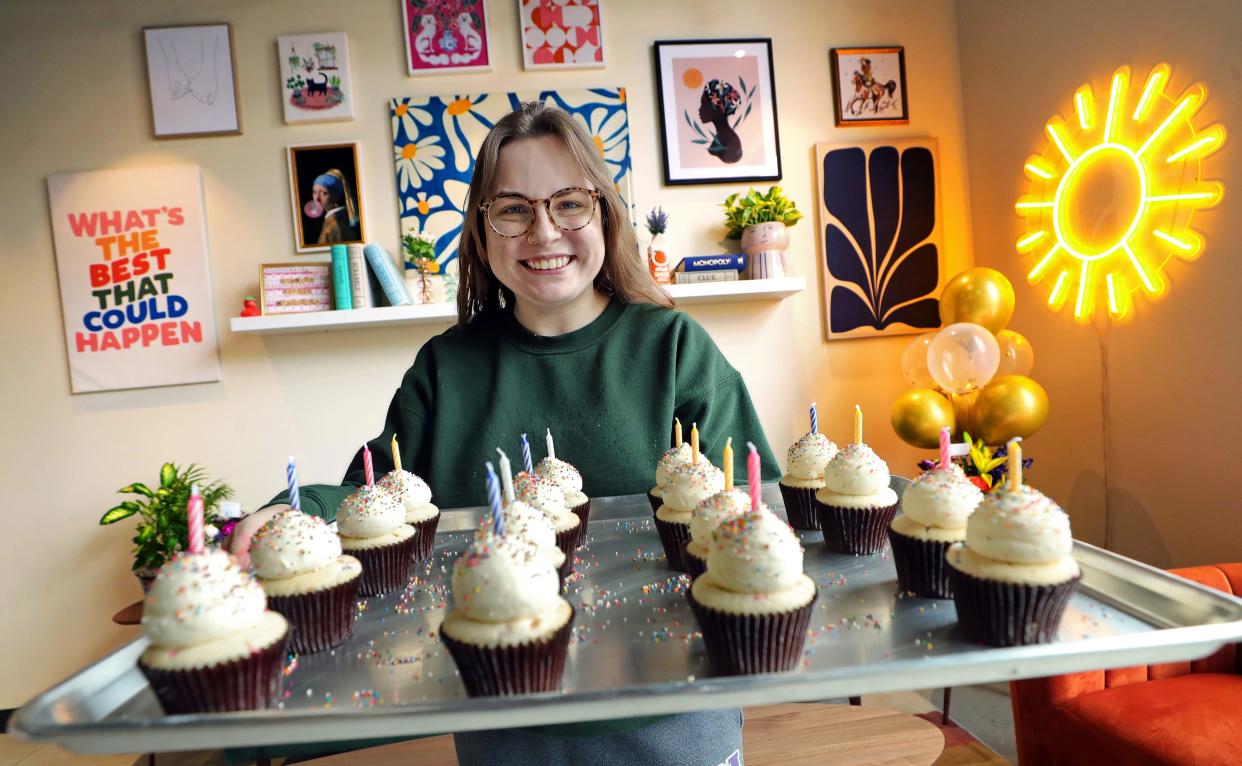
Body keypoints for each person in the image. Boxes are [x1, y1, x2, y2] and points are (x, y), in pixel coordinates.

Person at [232, 101, 780, 765]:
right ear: (483, 232)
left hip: (674, 716)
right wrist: (283, 512)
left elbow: (759, 514)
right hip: (505, 726)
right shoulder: (446, 369)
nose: (544, 232)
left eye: (569, 203)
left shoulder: (673, 349)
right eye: (513, 209)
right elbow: (368, 499)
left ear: (604, 212)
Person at [697, 79, 743, 164]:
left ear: (718, 108)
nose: (699, 109)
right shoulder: (722, 136)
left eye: (704, 104)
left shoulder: (729, 141)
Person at [311, 168, 360, 244]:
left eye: (324, 193)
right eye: (314, 192)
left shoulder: (336, 226)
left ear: (336, 196)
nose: (317, 198)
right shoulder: (332, 222)